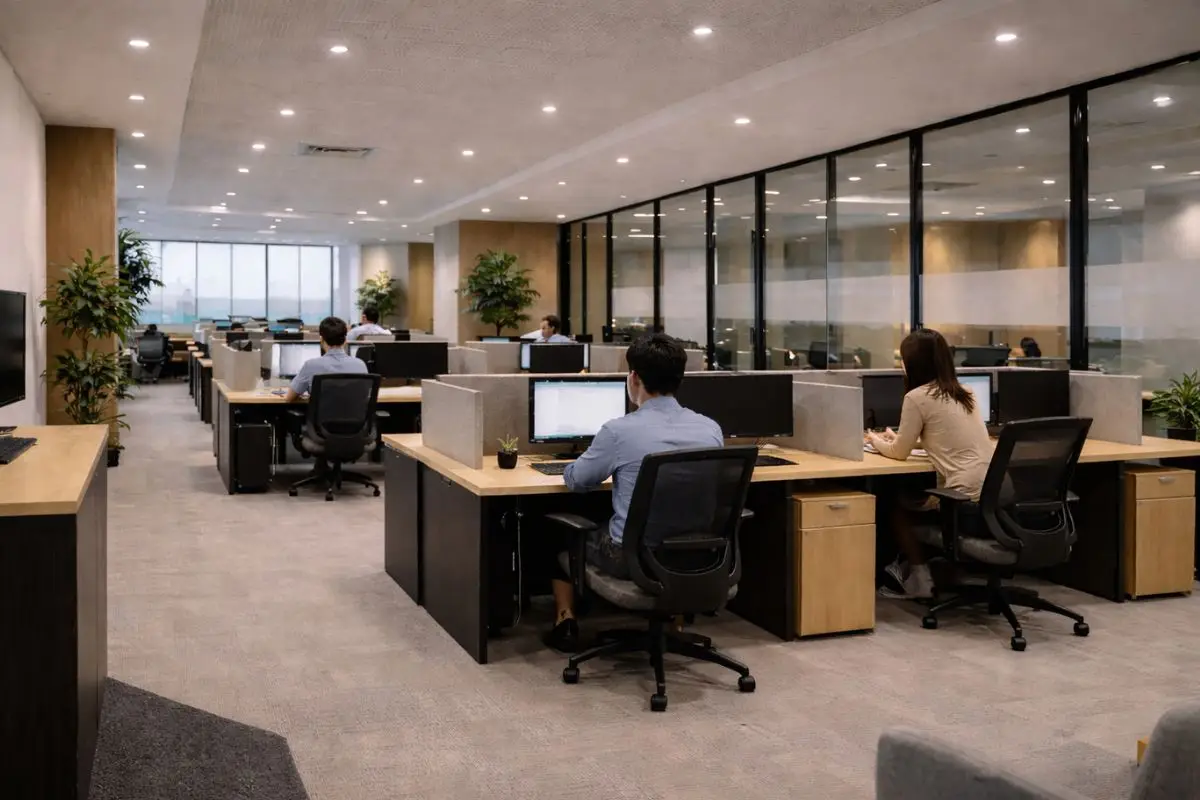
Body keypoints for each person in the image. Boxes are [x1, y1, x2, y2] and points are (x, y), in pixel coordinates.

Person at [543, 334, 724, 652]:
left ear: (634, 378)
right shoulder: (710, 428)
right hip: (700, 554)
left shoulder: (618, 431)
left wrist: (593, 458)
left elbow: (577, 481)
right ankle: (675, 622)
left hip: (633, 559)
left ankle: (565, 620)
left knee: (561, 535)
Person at [865, 328, 993, 600]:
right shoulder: (965, 392)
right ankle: (929, 571)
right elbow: (946, 436)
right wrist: (899, 437)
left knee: (895, 507)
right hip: (992, 495)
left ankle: (921, 580)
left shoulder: (917, 397)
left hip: (959, 497)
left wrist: (875, 439)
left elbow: (899, 453)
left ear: (912, 363)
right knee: (906, 496)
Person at [284, 316, 368, 402]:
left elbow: (289, 398)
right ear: (345, 340)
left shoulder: (311, 366)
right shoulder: (360, 365)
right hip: (355, 415)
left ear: (322, 339)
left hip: (322, 415)